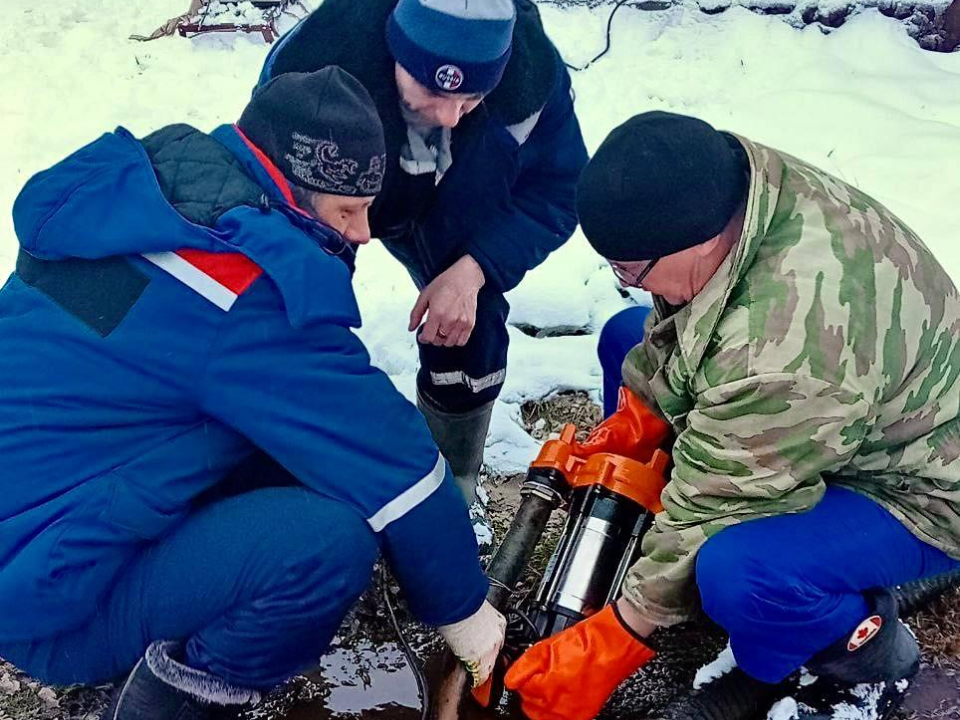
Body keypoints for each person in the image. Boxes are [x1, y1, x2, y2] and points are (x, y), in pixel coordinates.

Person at [0, 67, 505, 720]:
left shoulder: (157, 209)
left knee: (289, 449)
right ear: (293, 190)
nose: (360, 233)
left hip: (29, 533)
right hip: (48, 607)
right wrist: (465, 613)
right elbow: (396, 468)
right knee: (328, 544)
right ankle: (168, 702)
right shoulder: (242, 292)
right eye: (346, 210)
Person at [503, 111, 960, 720]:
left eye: (630, 270)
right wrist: (642, 414)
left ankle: (868, 657)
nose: (630, 283)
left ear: (693, 239)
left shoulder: (782, 349)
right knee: (623, 338)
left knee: (738, 571)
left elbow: (719, 503)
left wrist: (622, 630)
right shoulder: (733, 186)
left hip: (918, 486)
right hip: (843, 413)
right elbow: (688, 318)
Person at [257, 0, 589, 544]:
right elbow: (275, 205)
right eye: (432, 92)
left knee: (469, 328)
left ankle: (451, 485)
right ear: (396, 47)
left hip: (456, 199)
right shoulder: (312, 70)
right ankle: (299, 484)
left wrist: (474, 268)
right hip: (338, 196)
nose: (451, 116)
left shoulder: (530, 75)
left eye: (473, 97)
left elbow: (557, 190)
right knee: (293, 323)